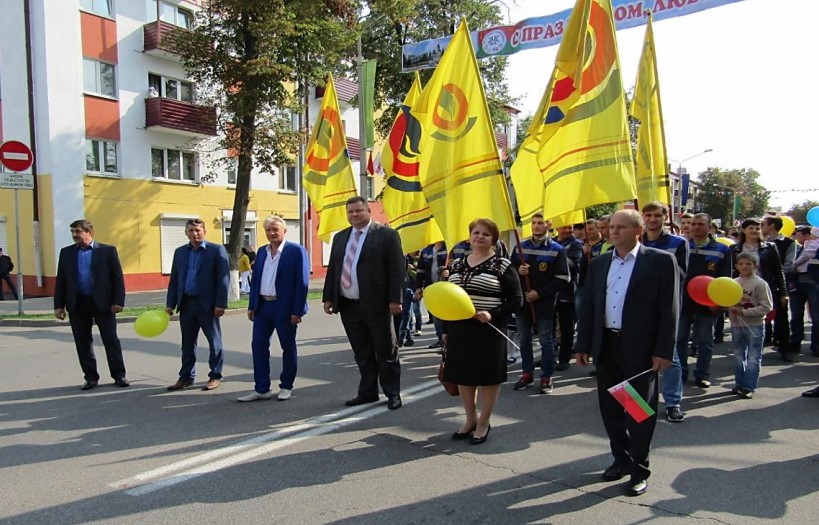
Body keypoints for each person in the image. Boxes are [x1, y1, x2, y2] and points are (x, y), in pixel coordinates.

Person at [575, 210, 679, 497]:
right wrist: (582, 345)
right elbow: (589, 307)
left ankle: (639, 468)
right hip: (607, 345)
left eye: (621, 227)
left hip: (640, 349)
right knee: (611, 408)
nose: (614, 231)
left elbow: (669, 309)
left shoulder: (659, 261)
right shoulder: (599, 263)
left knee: (637, 410)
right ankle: (620, 458)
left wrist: (663, 350)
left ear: (638, 230)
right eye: (611, 227)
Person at [444, 218, 522, 444]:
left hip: (488, 329)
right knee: (463, 375)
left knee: (488, 377)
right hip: (459, 328)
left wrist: (492, 313)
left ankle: (484, 422)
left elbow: (516, 300)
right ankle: (470, 419)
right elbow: (448, 298)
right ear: (469, 237)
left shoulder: (502, 265)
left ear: (493, 239)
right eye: (476, 233)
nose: (479, 237)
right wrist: (446, 329)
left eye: (486, 234)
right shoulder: (457, 264)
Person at [323, 196, 405, 410]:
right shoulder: (340, 237)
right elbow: (334, 268)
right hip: (349, 305)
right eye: (350, 212)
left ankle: (392, 393)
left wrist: (395, 299)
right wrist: (328, 297)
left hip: (378, 305)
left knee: (386, 352)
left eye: (358, 211)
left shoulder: (387, 235)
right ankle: (368, 392)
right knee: (362, 352)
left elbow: (397, 269)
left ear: (369, 211)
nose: (354, 215)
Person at [238, 216, 309, 402]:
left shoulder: (296, 251)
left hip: (284, 308)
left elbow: (302, 283)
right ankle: (262, 388)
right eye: (268, 230)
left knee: (287, 346)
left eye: (275, 229)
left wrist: (297, 311)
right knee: (258, 345)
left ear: (284, 231)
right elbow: (255, 280)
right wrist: (252, 305)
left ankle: (286, 386)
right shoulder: (262, 251)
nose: (271, 233)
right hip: (263, 306)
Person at [53, 220, 128, 390]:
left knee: (110, 339)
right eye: (72, 232)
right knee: (83, 342)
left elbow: (117, 278)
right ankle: (90, 377)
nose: (74, 235)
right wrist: (59, 305)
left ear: (90, 232)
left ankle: (119, 375)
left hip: (103, 303)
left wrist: (118, 301)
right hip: (77, 303)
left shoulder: (107, 251)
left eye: (78, 231)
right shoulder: (67, 253)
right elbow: (61, 280)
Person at [165, 218, 230, 391]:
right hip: (186, 304)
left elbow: (223, 279)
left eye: (198, 230)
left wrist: (220, 303)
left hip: (208, 305)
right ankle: (186, 377)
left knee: (214, 342)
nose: (194, 234)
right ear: (186, 233)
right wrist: (170, 303)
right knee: (187, 343)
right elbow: (175, 279)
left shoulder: (216, 250)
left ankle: (215, 375)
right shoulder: (180, 252)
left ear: (204, 232)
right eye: (191, 231)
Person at [510, 214, 570, 394]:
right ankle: (527, 373)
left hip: (544, 303)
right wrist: (518, 271)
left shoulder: (557, 249)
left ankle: (546, 377)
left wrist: (539, 293)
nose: (536, 226)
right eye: (534, 223)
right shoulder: (520, 247)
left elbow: (563, 278)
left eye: (540, 223)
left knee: (545, 340)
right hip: (523, 302)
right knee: (524, 340)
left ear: (548, 225)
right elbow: (509, 273)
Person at [641, 201, 689, 422]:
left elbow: (680, 274)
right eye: (648, 215)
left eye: (657, 215)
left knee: (670, 355)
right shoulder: (635, 240)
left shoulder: (678, 243)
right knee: (635, 356)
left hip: (666, 307)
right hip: (638, 308)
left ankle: (672, 402)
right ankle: (636, 403)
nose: (652, 219)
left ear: (665, 217)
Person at [677, 213, 732, 388]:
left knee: (705, 341)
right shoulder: (682, 246)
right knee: (679, 339)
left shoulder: (722, 249)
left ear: (709, 227)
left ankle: (702, 374)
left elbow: (725, 278)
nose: (695, 227)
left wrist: (718, 302)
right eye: (692, 224)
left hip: (708, 303)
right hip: (682, 301)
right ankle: (680, 371)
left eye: (700, 224)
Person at [730, 218, 788, 360]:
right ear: (744, 230)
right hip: (743, 288)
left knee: (776, 316)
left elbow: (778, 270)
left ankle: (783, 349)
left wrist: (783, 292)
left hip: (764, 286)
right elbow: (730, 270)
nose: (754, 231)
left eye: (757, 228)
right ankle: (748, 352)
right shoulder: (735, 248)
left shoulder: (769, 247)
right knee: (747, 317)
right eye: (751, 228)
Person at [728, 251, 773, 399]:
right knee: (738, 356)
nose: (744, 266)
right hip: (736, 325)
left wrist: (744, 312)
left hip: (755, 325)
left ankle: (748, 387)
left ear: (755, 266)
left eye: (748, 264)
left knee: (753, 357)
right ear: (736, 266)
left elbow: (767, 306)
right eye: (741, 264)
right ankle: (739, 384)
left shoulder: (760, 284)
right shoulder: (733, 283)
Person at [761, 216, 796, 356]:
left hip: (777, 283)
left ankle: (784, 347)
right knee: (760, 314)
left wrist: (776, 276)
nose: (761, 227)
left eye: (763, 224)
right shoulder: (759, 242)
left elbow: (789, 265)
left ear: (771, 225)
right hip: (759, 284)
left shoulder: (788, 243)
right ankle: (764, 341)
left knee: (781, 315)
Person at [555, 224, 584, 371]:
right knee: (550, 327)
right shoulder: (551, 242)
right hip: (550, 291)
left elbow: (573, 263)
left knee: (567, 327)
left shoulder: (576, 245)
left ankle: (564, 358)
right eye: (564, 227)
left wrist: (555, 255)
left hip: (568, 292)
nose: (567, 230)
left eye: (570, 227)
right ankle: (550, 355)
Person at [790, 226, 819, 357]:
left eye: (799, 234)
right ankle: (795, 342)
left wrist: (796, 264)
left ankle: (816, 346)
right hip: (798, 283)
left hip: (813, 283)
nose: (796, 237)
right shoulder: (799, 247)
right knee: (796, 315)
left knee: (816, 317)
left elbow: (808, 256)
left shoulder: (813, 245)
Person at [416, 242, 448, 348]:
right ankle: (441, 340)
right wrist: (418, 287)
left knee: (446, 316)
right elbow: (420, 271)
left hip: (446, 288)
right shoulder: (426, 251)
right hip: (431, 288)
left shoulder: (449, 248)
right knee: (435, 316)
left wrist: (449, 271)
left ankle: (447, 342)